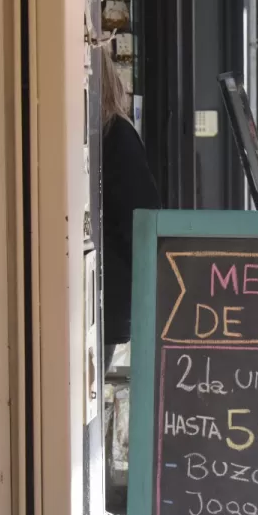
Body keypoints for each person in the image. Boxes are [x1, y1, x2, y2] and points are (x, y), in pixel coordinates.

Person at [100, 46, 160, 372]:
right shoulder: (118, 134)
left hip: (103, 297)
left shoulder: (107, 136)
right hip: (112, 298)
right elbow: (143, 216)